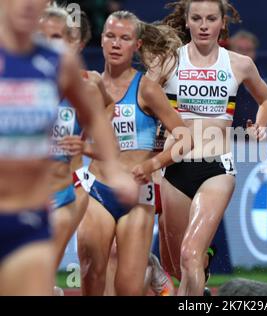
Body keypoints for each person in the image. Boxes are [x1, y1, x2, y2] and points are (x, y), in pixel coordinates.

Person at [0, 0, 137, 296]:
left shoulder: (62, 66)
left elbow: (99, 112)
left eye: (57, 36)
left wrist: (113, 168)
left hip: (49, 202)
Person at [151, 0, 267, 296]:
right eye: (197, 18)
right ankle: (202, 267)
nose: (204, 25)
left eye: (210, 19)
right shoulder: (168, 61)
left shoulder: (239, 63)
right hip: (175, 168)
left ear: (222, 24)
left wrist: (260, 125)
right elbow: (142, 96)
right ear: (187, 22)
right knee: (173, 263)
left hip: (217, 167)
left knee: (189, 255)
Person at [76, 10, 192, 296]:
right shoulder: (87, 86)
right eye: (111, 37)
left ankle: (151, 273)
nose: (116, 44)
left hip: (139, 194)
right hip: (96, 188)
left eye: (125, 38)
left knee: (128, 287)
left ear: (136, 45)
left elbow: (185, 137)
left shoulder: (147, 89)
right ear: (101, 41)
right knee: (92, 274)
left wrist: (154, 163)